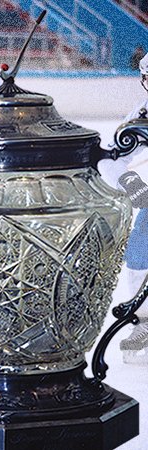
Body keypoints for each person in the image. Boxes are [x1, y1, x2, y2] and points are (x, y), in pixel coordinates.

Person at [98, 53, 148, 365]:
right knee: (139, 256)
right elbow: (111, 157)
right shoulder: (141, 114)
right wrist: (133, 185)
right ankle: (144, 324)